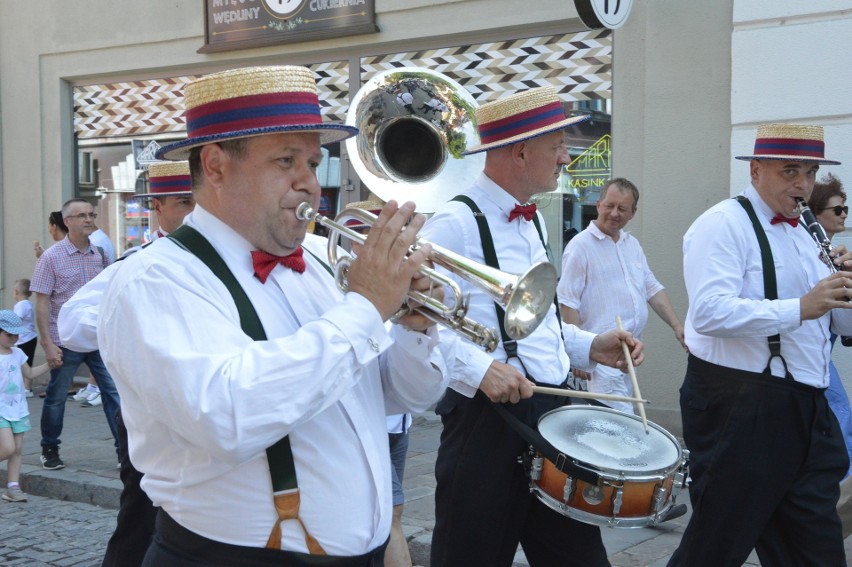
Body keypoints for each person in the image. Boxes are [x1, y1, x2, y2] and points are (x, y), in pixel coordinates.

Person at [97, 65, 455, 565]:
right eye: (286, 160)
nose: (310, 184)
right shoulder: (154, 279)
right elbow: (227, 417)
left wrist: (414, 328)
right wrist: (366, 308)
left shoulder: (323, 260)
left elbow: (402, 397)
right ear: (217, 166)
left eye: (313, 161)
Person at [420, 86, 645, 567]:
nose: (566, 155)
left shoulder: (535, 223)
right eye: (557, 144)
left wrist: (590, 347)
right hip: (487, 422)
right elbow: (416, 323)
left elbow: (537, 322)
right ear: (520, 151)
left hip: (551, 412)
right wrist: (480, 370)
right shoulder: (453, 223)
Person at [669, 124, 852, 566]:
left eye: (809, 172)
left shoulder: (809, 233)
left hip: (804, 408)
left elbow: (833, 321)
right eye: (790, 171)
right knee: (715, 545)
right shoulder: (721, 224)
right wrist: (800, 307)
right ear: (755, 171)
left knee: (815, 547)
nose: (803, 185)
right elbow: (709, 314)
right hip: (741, 407)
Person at [57, 161, 195, 567]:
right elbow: (72, 325)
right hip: (155, 420)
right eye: (185, 202)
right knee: (140, 525)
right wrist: (143, 322)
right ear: (157, 205)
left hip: (220, 426)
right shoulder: (141, 262)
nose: (195, 211)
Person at [557, 178, 686, 413]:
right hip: (599, 361)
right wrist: (578, 354)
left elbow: (651, 288)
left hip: (628, 355)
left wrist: (677, 326)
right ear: (598, 205)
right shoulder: (580, 246)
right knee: (618, 429)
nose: (614, 213)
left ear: (633, 213)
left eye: (622, 209)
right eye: (610, 205)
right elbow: (568, 303)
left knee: (616, 429)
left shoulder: (631, 244)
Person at [30, 198, 120, 470]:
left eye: (92, 214)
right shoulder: (51, 257)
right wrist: (47, 343)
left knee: (114, 394)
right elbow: (42, 301)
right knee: (56, 397)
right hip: (65, 341)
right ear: (67, 221)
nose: (89, 219)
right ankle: (49, 448)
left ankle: (123, 450)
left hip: (95, 339)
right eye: (81, 215)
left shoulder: (101, 255)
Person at [807, 173, 852, 479]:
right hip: (807, 348)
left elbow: (845, 325)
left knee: (840, 415)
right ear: (817, 214)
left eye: (846, 208)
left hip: (824, 348)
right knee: (840, 414)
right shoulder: (807, 251)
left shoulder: (836, 253)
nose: (844, 214)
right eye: (838, 209)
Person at [0, 311, 49, 502]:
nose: (14, 338)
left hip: (18, 408)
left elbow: (29, 374)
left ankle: (13, 487)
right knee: (8, 448)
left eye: (16, 334)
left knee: (18, 449)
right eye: (9, 334)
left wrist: (48, 365)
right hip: (1, 409)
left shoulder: (18, 352)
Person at [12, 279, 38, 397]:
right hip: (29, 338)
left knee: (24, 364)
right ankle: (25, 387)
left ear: (16, 291)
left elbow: (16, 320)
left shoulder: (21, 305)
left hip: (25, 339)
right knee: (26, 363)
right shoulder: (28, 303)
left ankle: (27, 389)